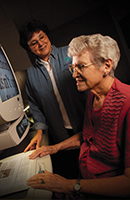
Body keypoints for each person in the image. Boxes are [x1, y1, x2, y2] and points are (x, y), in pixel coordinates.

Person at [26, 34, 130, 199]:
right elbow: (87, 136)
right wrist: (54, 148)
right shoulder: (92, 97)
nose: (74, 75)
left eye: (81, 66)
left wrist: (68, 185)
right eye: (73, 68)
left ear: (106, 66)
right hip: (85, 179)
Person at [19, 19, 87, 179]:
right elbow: (35, 106)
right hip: (61, 131)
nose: (40, 44)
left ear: (47, 35)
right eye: (34, 43)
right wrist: (39, 131)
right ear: (29, 49)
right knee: (75, 171)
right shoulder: (31, 74)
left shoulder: (71, 53)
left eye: (42, 37)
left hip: (87, 122)